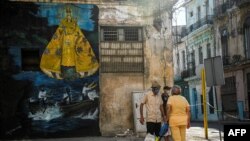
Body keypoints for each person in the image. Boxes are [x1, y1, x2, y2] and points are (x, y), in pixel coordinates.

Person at [40, 7, 99, 80]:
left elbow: (78, 33)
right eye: (67, 14)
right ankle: (58, 72)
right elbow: (59, 32)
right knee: (58, 55)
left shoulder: (74, 23)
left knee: (80, 54)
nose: (69, 16)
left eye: (70, 14)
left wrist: (79, 39)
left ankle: (80, 72)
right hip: (64, 42)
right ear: (65, 15)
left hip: (73, 42)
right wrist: (57, 39)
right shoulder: (63, 23)